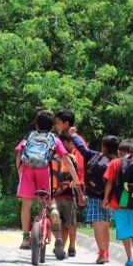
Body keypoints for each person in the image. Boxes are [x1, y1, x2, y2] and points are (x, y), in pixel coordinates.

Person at [15, 110, 80, 260]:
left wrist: (20, 174)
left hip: (28, 172)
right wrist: (75, 179)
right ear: (51, 126)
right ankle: (56, 226)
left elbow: (18, 155)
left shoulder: (29, 136)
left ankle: (25, 237)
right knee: (50, 203)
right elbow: (66, 159)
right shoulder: (54, 139)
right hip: (44, 172)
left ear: (37, 124)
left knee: (27, 204)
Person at [70, 130, 119, 264]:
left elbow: (82, 148)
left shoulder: (95, 156)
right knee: (105, 226)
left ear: (103, 146)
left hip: (93, 195)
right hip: (108, 199)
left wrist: (74, 135)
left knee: (97, 225)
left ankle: (102, 253)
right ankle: (106, 253)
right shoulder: (116, 163)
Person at [103, 139, 133, 266]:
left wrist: (106, 198)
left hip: (119, 203)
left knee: (124, 230)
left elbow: (110, 183)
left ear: (120, 151)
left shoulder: (114, 163)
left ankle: (130, 259)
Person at [54, 110, 86, 257]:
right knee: (66, 218)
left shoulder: (74, 142)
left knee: (69, 219)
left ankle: (70, 245)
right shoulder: (59, 140)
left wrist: (78, 184)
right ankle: (67, 245)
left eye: (58, 122)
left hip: (71, 185)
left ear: (66, 123)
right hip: (60, 186)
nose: (56, 125)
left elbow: (79, 164)